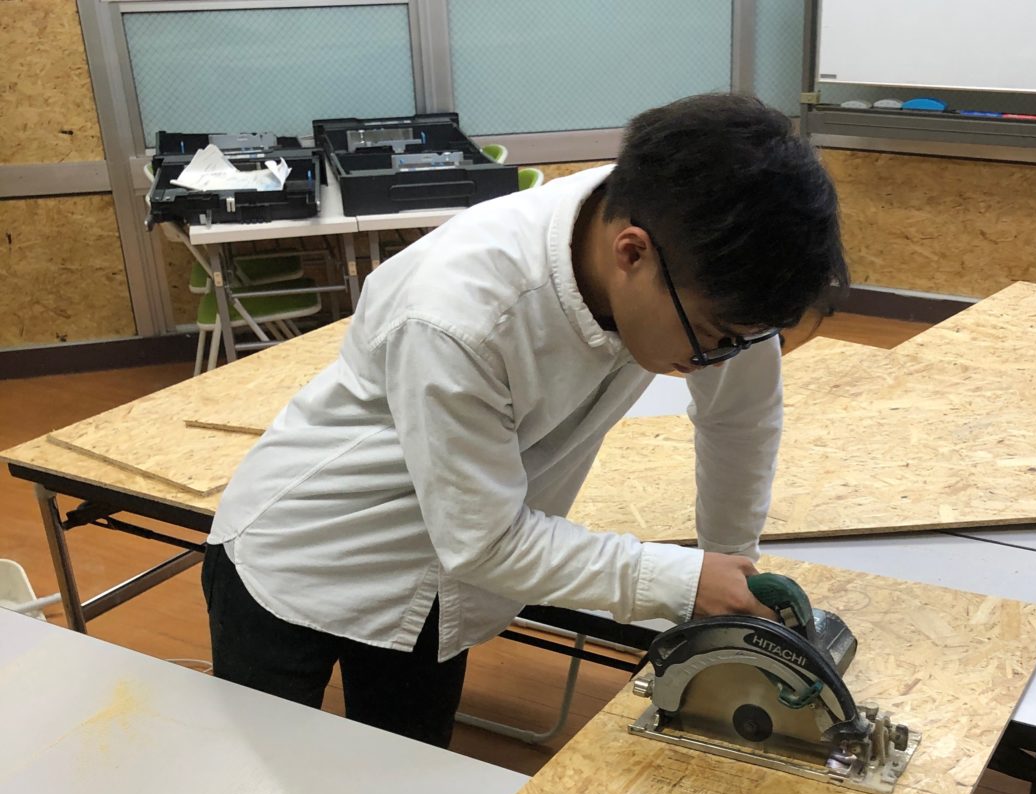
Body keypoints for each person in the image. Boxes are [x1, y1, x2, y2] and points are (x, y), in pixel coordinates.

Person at [203, 92, 848, 750]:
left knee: (407, 782)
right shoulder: (461, 313)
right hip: (306, 558)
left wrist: (732, 570)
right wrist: (683, 581)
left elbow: (740, 418)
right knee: (264, 790)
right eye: (713, 339)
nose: (718, 359)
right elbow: (487, 541)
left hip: (436, 593)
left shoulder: (697, 248)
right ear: (631, 255)